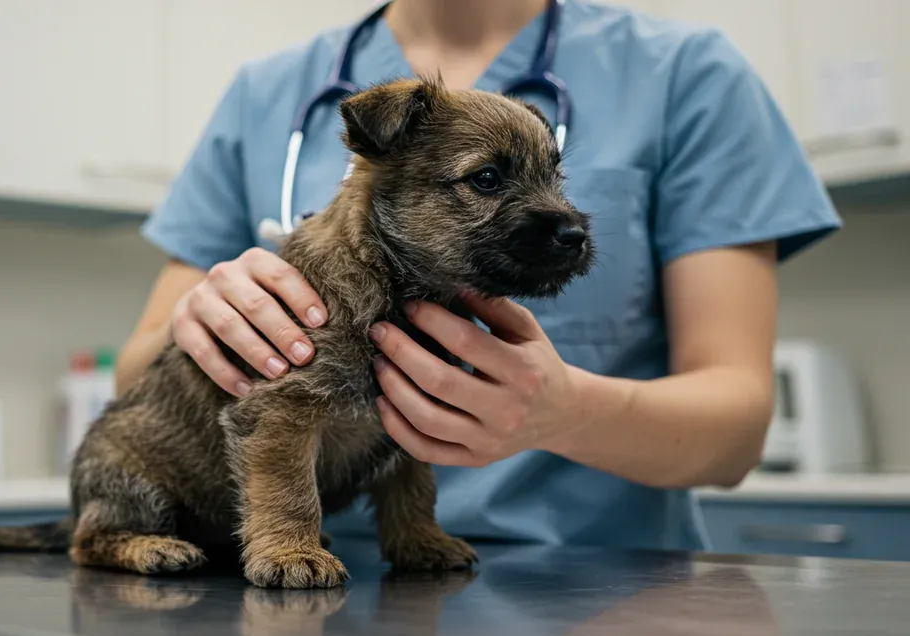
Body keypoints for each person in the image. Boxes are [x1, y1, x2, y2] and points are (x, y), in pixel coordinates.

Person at [115, 0, 841, 552]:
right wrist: (200, 325)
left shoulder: (684, 72)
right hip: (314, 588)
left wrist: (569, 412)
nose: (560, 215)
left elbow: (738, 431)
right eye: (486, 180)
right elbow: (139, 384)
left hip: (598, 591)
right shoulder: (266, 90)